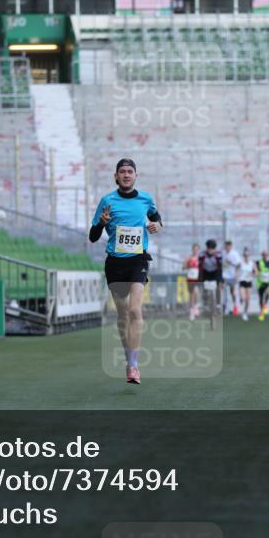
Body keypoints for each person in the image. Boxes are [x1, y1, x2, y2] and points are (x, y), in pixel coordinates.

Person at [89, 158, 162, 384]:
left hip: (138, 260)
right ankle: (128, 357)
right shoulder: (107, 201)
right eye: (122, 172)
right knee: (122, 315)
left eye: (130, 171)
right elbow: (92, 236)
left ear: (136, 175)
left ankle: (133, 365)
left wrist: (158, 225)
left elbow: (156, 217)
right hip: (115, 263)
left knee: (134, 310)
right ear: (116, 176)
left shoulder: (145, 199)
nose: (126, 175)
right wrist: (102, 223)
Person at [199, 239, 223, 316]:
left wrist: (221, 280)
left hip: (215, 272)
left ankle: (218, 305)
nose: (210, 250)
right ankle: (206, 304)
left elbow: (220, 267)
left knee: (218, 287)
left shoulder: (218, 255)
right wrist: (200, 279)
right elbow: (200, 266)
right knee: (205, 288)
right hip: (206, 272)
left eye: (212, 248)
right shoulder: (202, 254)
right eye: (209, 248)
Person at [221, 240, 242, 316]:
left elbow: (239, 264)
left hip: (232, 275)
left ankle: (235, 306)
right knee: (222, 290)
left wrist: (231, 263)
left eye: (229, 245)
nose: (227, 247)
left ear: (231, 246)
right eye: (226, 245)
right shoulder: (223, 253)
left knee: (232, 292)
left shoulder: (234, 253)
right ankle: (225, 308)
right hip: (224, 275)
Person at [256, 250, 269, 322]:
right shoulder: (258, 263)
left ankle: (265, 305)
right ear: (262, 255)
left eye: (266, 255)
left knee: (267, 293)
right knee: (261, 298)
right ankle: (261, 312)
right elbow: (255, 271)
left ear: (268, 255)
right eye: (264, 255)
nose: (265, 256)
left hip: (268, 282)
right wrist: (259, 273)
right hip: (260, 282)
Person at [183, 243, 201, 321]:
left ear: (198, 250)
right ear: (192, 250)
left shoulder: (200, 258)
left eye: (197, 249)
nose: (195, 251)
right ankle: (192, 311)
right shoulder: (189, 258)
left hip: (197, 278)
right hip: (190, 278)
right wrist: (188, 265)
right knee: (192, 295)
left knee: (196, 292)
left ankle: (196, 307)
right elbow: (183, 267)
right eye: (194, 249)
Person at [237, 247, 256, 322]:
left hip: (249, 282)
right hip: (242, 281)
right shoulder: (241, 263)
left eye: (247, 255)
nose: (246, 256)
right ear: (243, 255)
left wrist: (252, 273)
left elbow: (256, 272)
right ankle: (241, 298)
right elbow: (236, 269)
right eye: (245, 255)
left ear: (249, 255)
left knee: (248, 299)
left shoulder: (252, 263)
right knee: (243, 297)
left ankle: (245, 313)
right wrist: (236, 275)